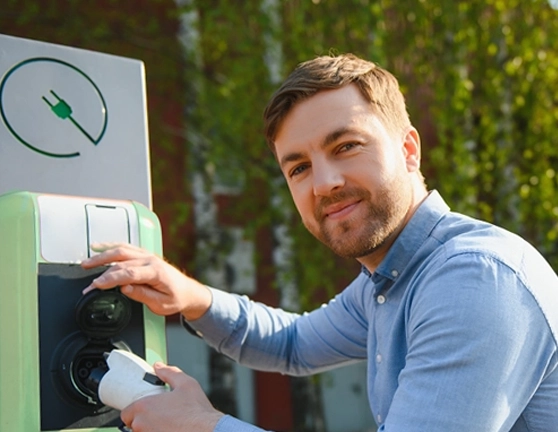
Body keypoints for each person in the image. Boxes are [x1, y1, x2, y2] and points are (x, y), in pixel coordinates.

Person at [81, 53, 558, 432]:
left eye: (345, 146)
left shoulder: (472, 277)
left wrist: (204, 428)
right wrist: (188, 296)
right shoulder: (388, 278)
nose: (324, 183)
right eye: (299, 167)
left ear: (408, 150)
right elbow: (293, 344)